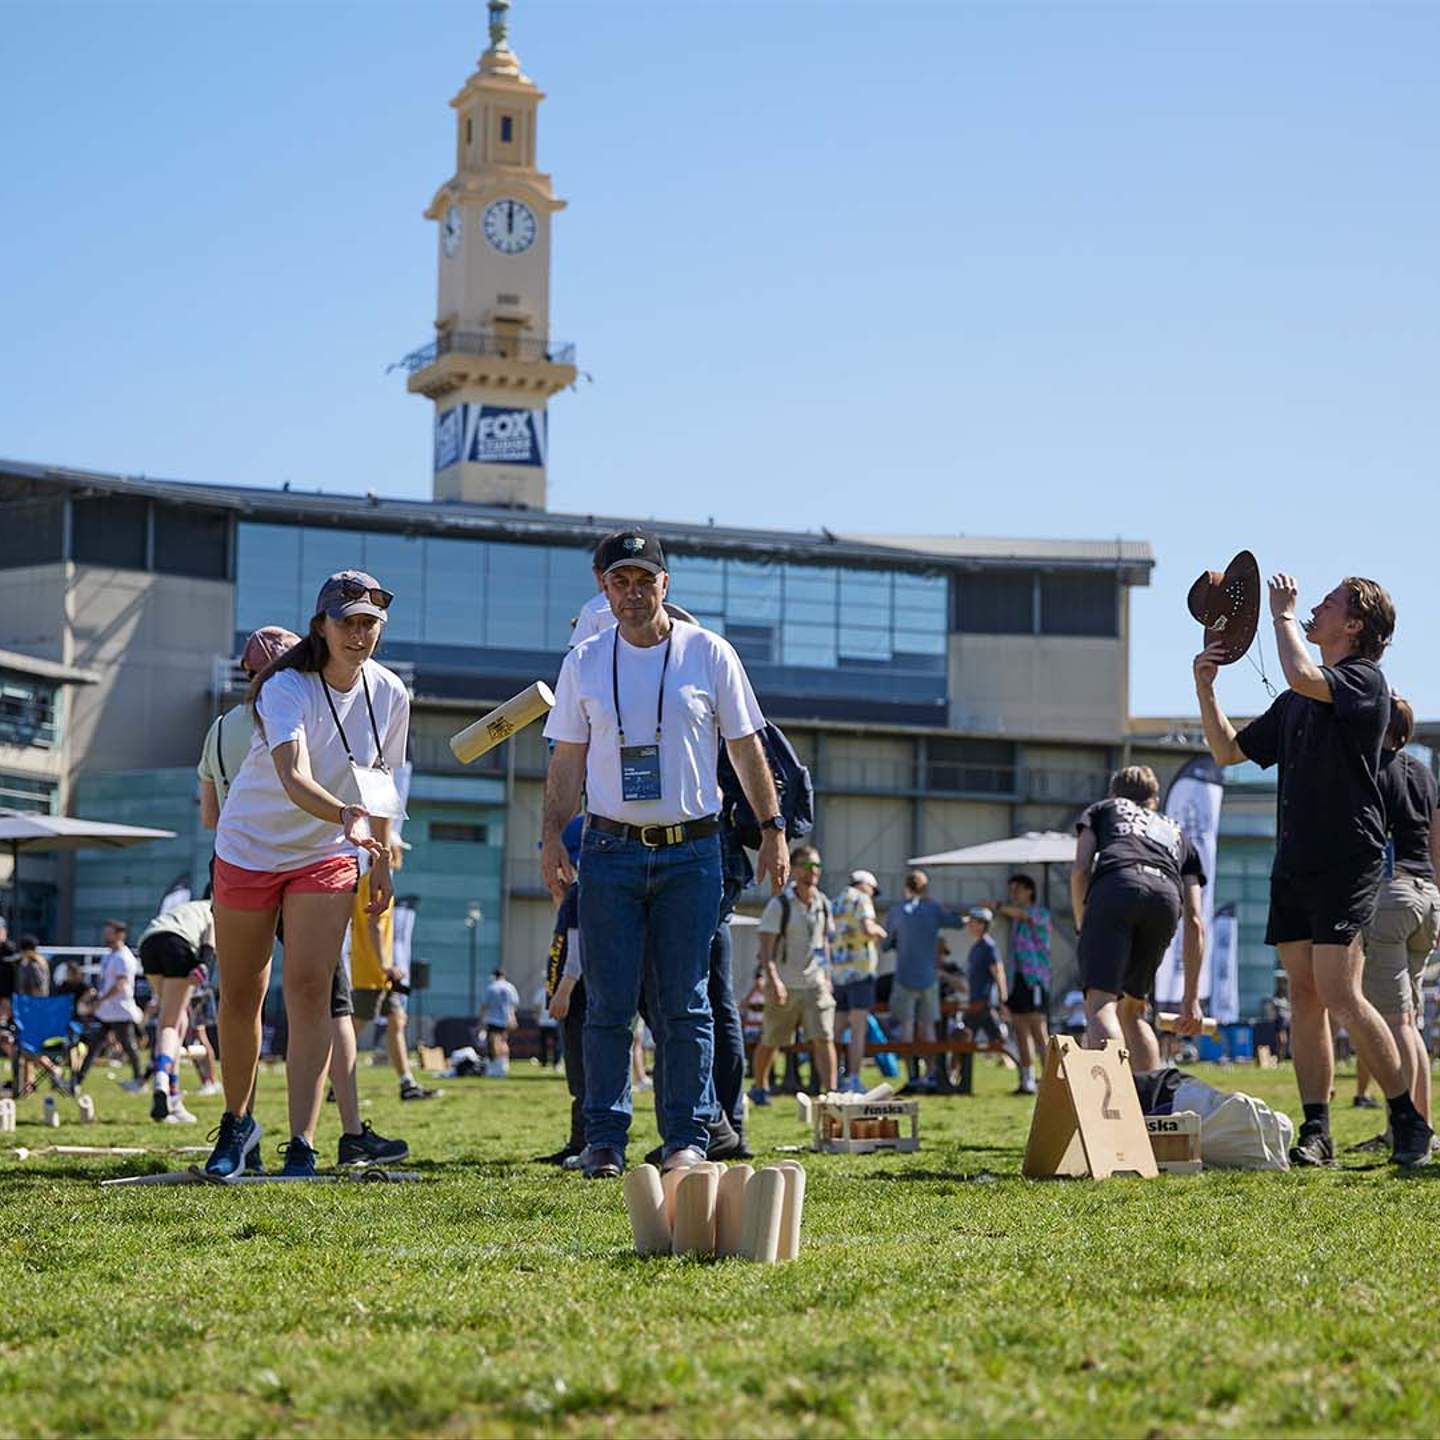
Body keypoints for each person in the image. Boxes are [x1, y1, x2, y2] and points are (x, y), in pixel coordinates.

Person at [541, 529, 787, 1179]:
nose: (632, 593)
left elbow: (746, 747)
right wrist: (549, 838)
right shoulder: (585, 661)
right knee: (609, 1003)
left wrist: (774, 828)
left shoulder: (709, 653)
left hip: (693, 852)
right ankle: (604, 1139)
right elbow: (565, 759)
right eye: (619, 581)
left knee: (686, 1002)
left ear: (665, 585)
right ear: (603, 587)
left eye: (644, 580)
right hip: (609, 848)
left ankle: (688, 1136)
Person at [1194, 571, 1430, 1168]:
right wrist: (1206, 689)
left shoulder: (1364, 682)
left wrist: (1278, 614)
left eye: (1328, 605)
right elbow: (1227, 751)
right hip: (1293, 859)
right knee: (1304, 996)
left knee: (1340, 992)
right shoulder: (1298, 698)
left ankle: (1407, 1117)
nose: (1312, 610)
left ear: (1354, 625)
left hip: (1345, 856)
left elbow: (1303, 671)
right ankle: (1317, 1130)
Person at [202, 570, 408, 1181]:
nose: (360, 633)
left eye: (370, 623)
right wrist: (347, 815)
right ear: (321, 625)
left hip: (325, 853)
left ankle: (303, 1143)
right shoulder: (286, 686)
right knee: (241, 994)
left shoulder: (391, 692)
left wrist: (383, 855)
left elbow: (385, 781)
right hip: (250, 848)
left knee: (312, 992)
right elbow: (293, 779)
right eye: (348, 622)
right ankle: (238, 1125)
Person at [1070, 766, 1207, 1073]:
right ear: (1154, 800)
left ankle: (1111, 1102)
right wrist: (1191, 999)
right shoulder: (1177, 832)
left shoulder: (1103, 809)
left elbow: (1080, 869)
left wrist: (1083, 923)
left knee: (1101, 1003)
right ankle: (1148, 1106)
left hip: (1116, 886)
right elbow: (1196, 920)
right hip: (1166, 898)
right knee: (1132, 1011)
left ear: (1113, 794)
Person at [1358, 697, 1440, 1134]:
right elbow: (1437, 842)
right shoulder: (1425, 775)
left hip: (1391, 895)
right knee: (1412, 1024)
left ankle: (1408, 1130)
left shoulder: (1373, 769)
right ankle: (1420, 1125)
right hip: (1427, 898)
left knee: (1395, 1022)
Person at [749, 844, 837, 1104]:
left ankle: (830, 1093)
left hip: (816, 982)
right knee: (772, 1039)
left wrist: (828, 976)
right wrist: (773, 980)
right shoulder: (780, 905)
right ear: (796, 869)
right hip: (784, 983)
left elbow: (825, 943)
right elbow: (766, 948)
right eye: (809, 866)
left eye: (818, 866)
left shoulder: (823, 904)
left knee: (824, 1037)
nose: (814, 872)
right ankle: (760, 1086)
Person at [348, 839, 434, 1102]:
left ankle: (407, 1083)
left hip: (379, 974)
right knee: (352, 1030)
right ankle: (335, 1083)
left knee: (397, 1022)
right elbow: (373, 926)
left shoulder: (368, 882)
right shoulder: (376, 885)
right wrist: (386, 965)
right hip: (371, 972)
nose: (401, 856)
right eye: (398, 851)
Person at [134, 898, 215, 1123]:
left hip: (148, 943)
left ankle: (174, 1099)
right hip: (178, 945)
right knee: (172, 1023)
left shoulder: (189, 908)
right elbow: (210, 944)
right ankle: (161, 1077)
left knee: (174, 1021)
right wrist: (204, 965)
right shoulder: (216, 908)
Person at [883, 870, 963, 1094]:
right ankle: (930, 1075)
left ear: (905, 887)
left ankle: (912, 1076)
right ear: (925, 888)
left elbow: (886, 944)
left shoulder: (897, 911)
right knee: (928, 1028)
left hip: (904, 975)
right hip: (929, 976)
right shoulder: (933, 909)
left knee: (906, 1028)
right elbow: (957, 922)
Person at [537, 818, 586, 1166]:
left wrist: (564, 991)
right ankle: (577, 1140)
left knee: (584, 1072)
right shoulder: (571, 897)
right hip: (570, 998)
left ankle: (584, 1140)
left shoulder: (582, 896)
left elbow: (578, 948)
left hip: (578, 997)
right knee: (576, 1072)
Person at [994, 874, 1052, 1095]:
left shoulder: (1039, 913)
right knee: (1020, 1029)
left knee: (1039, 1030)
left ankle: (1050, 1079)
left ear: (1030, 891)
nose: (1013, 895)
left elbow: (1021, 913)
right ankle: (1027, 1079)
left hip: (1035, 978)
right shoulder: (1017, 921)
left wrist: (997, 906)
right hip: (1019, 978)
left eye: (1017, 889)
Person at [831, 870, 886, 1094]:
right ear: (866, 886)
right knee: (858, 1029)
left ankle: (834, 1077)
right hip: (861, 973)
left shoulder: (835, 902)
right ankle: (854, 1078)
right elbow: (867, 928)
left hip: (838, 973)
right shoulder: (862, 899)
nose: (873, 896)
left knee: (836, 1029)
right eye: (873, 891)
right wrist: (882, 933)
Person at [75, 921, 145, 1093]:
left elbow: (120, 984)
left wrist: (101, 1000)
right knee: (94, 1046)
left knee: (129, 1046)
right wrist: (96, 996)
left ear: (120, 935)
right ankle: (77, 1081)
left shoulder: (124, 957)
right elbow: (106, 982)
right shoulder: (109, 956)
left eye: (110, 933)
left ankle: (139, 1081)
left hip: (120, 1010)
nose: (107, 936)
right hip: (106, 1011)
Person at [482, 968, 520, 1076]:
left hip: (493, 1018)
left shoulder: (492, 987)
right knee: (504, 1041)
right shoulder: (510, 987)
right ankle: (504, 1064)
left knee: (493, 1041)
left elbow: (485, 1005)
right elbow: (514, 1005)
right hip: (506, 1019)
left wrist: (481, 1020)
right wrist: (512, 1018)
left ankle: (495, 1065)